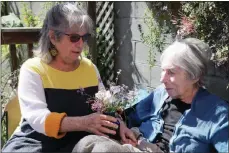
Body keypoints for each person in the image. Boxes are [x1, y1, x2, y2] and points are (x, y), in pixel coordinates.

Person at [73, 38, 229, 152]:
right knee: (86, 143)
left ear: (194, 76)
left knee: (102, 149)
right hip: (138, 148)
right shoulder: (161, 94)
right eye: (162, 70)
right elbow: (129, 117)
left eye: (171, 72)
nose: (162, 79)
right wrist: (128, 131)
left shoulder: (218, 114)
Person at [2, 3, 119, 152]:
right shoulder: (33, 69)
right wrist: (83, 123)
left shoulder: (90, 68)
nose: (81, 44)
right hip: (35, 143)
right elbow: (37, 117)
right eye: (74, 37)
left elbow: (105, 108)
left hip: (80, 142)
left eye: (85, 37)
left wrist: (120, 126)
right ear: (52, 37)